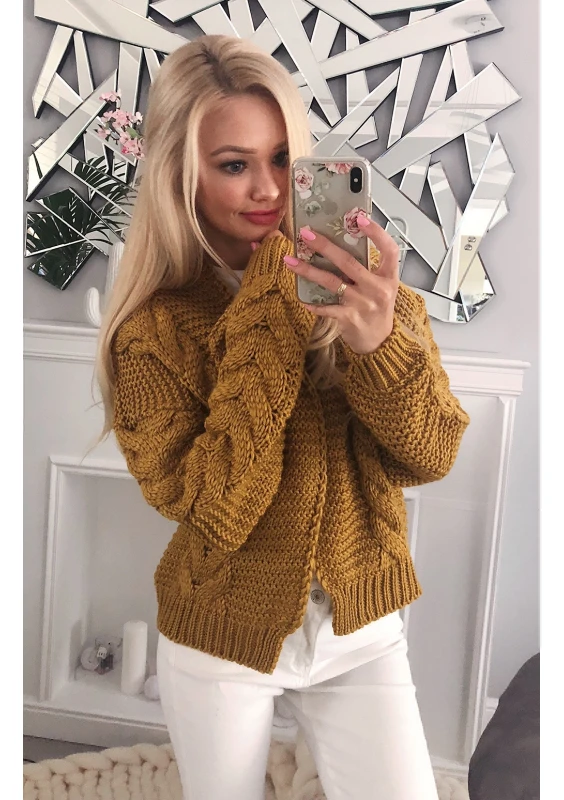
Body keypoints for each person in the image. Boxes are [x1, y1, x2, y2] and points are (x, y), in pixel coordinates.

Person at [96, 34, 470, 800]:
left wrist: (379, 344)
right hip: (220, 632)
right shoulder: (152, 333)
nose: (268, 188)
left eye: (280, 159)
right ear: (181, 172)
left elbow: (431, 455)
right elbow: (215, 505)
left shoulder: (366, 295)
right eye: (234, 164)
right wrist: (274, 299)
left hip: (359, 627)